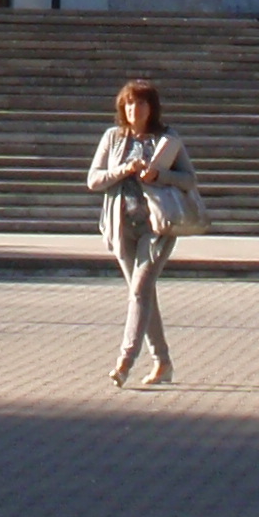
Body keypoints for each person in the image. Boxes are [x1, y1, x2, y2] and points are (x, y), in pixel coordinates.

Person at [85, 77, 187, 389]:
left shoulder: (167, 139)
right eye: (129, 103)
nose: (134, 109)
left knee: (140, 290)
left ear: (151, 108)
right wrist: (125, 169)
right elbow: (94, 180)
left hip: (157, 227)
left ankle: (125, 361)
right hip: (121, 225)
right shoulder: (114, 137)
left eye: (141, 103)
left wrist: (160, 174)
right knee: (142, 294)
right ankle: (163, 362)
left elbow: (189, 180)